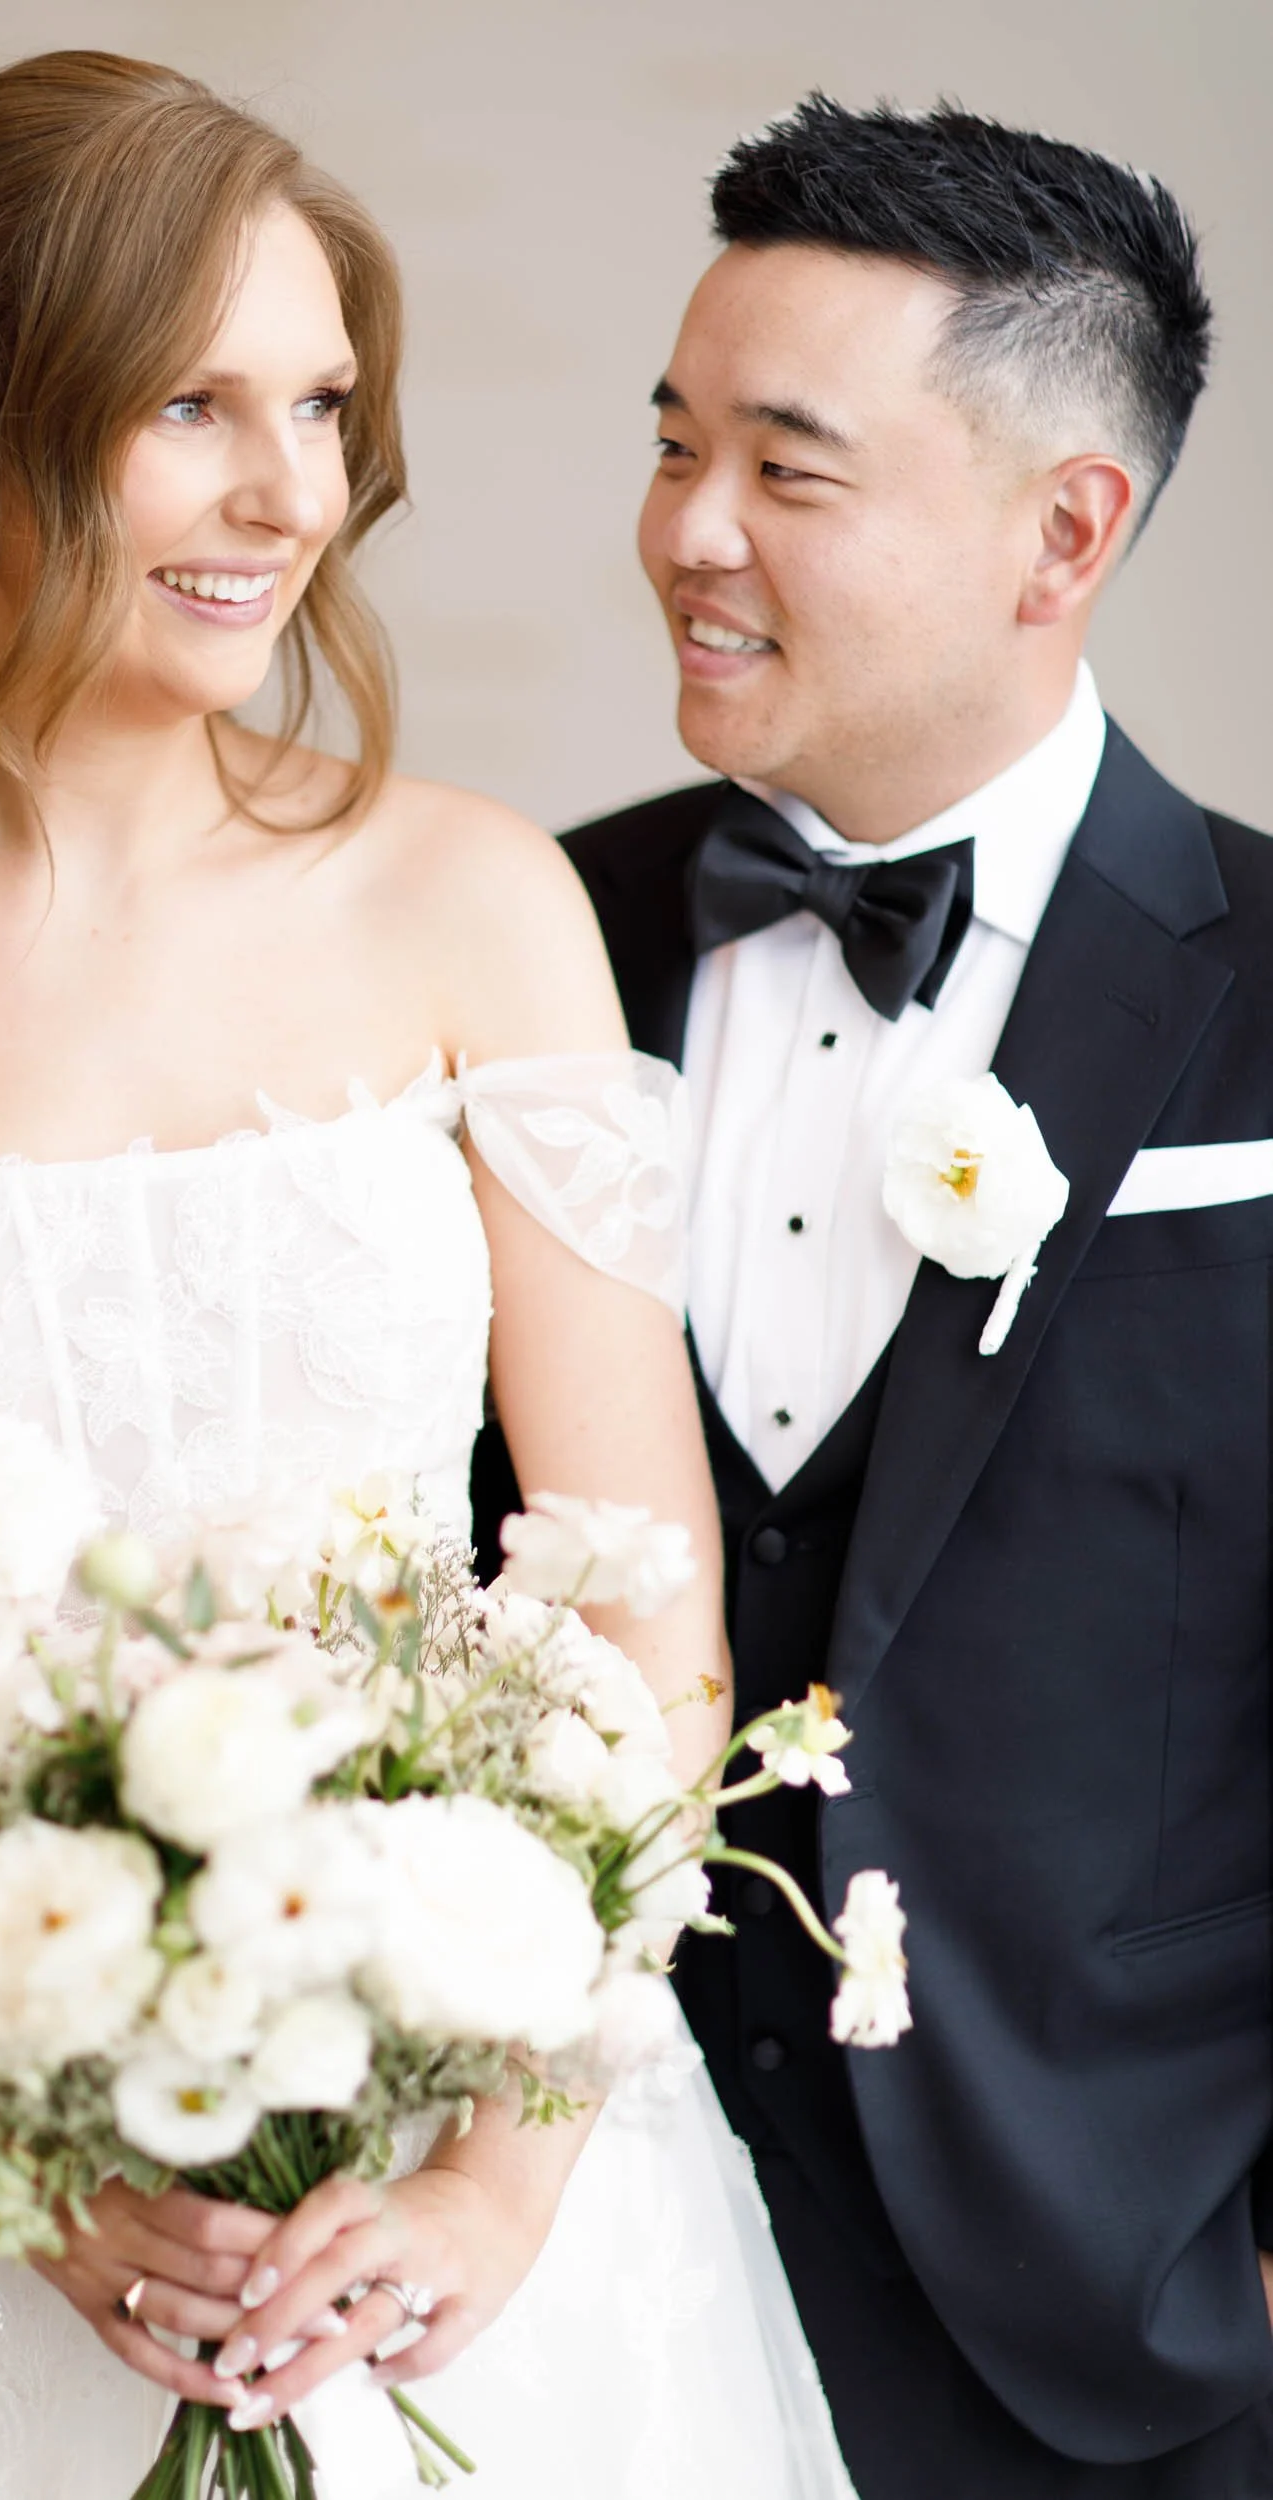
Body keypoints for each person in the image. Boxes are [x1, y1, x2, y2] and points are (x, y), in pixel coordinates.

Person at [0, 51, 857, 2500]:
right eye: (191, 405)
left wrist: (497, 2170)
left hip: (452, 2208)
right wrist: (10, 2150)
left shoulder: (471, 902)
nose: (291, 495)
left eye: (317, 404)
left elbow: (643, 1615)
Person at [476, 90, 1273, 2500]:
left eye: (786, 472)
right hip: (564, 2277)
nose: (684, 537)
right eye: (669, 445)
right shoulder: (514, 947)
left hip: (1109, 2316)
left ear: (1064, 529)